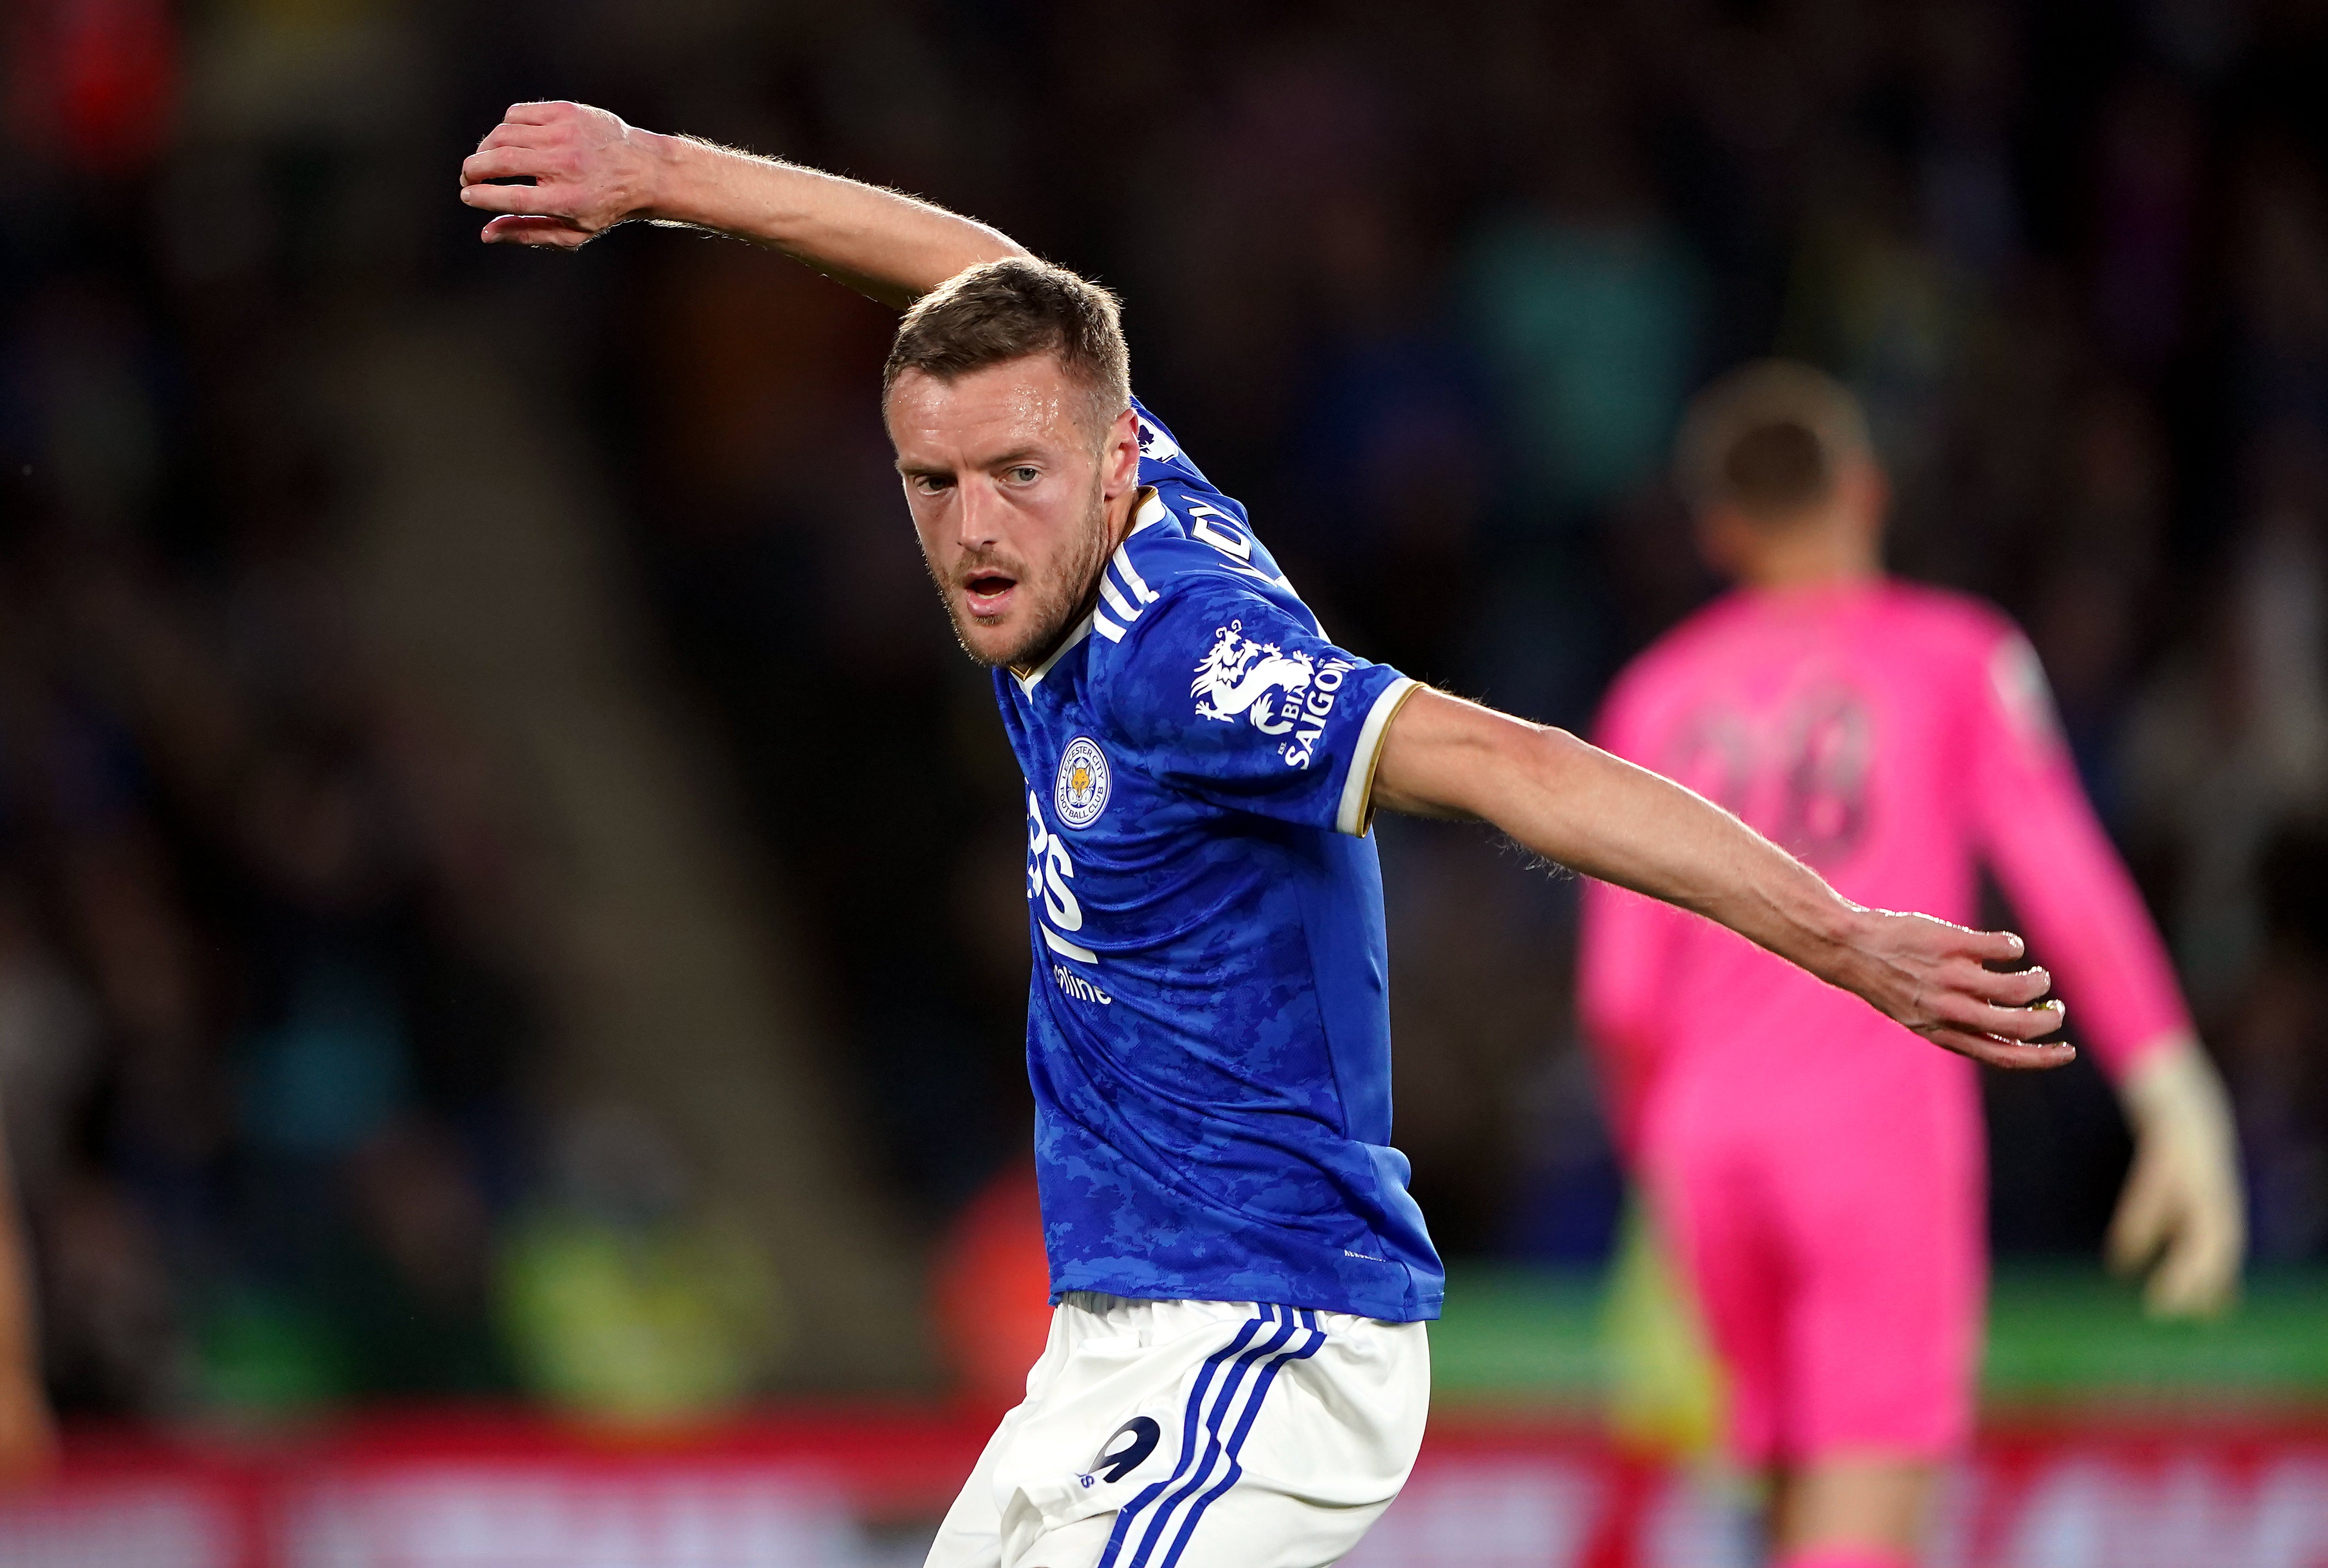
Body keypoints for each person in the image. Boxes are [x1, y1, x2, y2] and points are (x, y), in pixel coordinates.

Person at [457, 105, 2074, 1568]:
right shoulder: (1093, 472)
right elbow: (983, 276)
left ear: (1105, 464)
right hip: (1115, 1341)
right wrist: (657, 177)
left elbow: (1508, 764)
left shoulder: (1190, 662)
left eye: (1013, 476)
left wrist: (1840, 936)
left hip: (1264, 1332)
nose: (968, 530)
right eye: (930, 481)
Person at [1580, 362, 2245, 1568]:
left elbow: (1619, 997)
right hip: (1876, 1142)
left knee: (1783, 1523)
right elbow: (2066, 878)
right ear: (1868, 491)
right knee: (1861, 1536)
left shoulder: (1653, 695)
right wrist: (2172, 1090)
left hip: (1705, 1146)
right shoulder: (1955, 659)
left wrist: (1657, 1176)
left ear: (1719, 529)